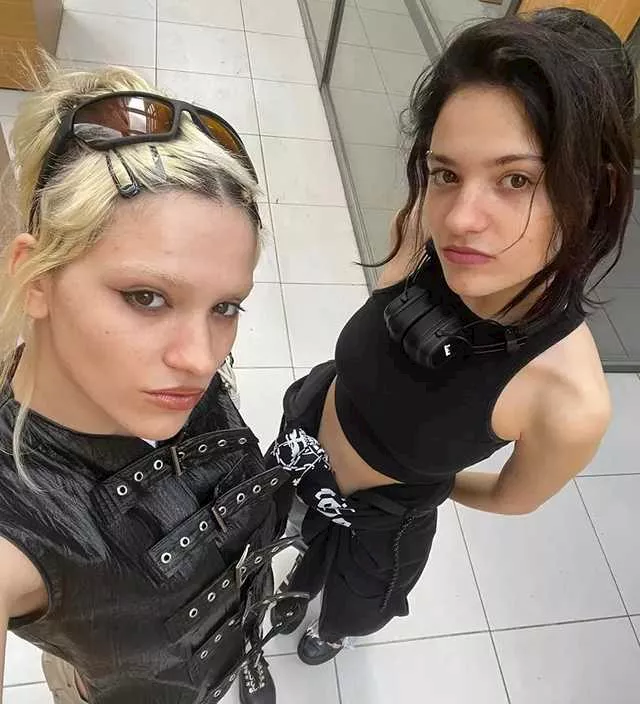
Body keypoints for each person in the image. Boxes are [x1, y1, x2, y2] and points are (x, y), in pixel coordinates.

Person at [245, 7, 636, 699]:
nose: (459, 219)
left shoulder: (567, 400)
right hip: (306, 437)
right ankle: (298, 570)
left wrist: (424, 483)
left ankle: (330, 628)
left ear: (594, 190)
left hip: (382, 524)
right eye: (446, 173)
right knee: (285, 536)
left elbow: (513, 498)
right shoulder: (426, 236)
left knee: (351, 603)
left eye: (516, 180)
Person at [0, 61, 304, 704]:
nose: (201, 359)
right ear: (38, 278)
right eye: (146, 296)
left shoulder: (163, 376)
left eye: (225, 306)